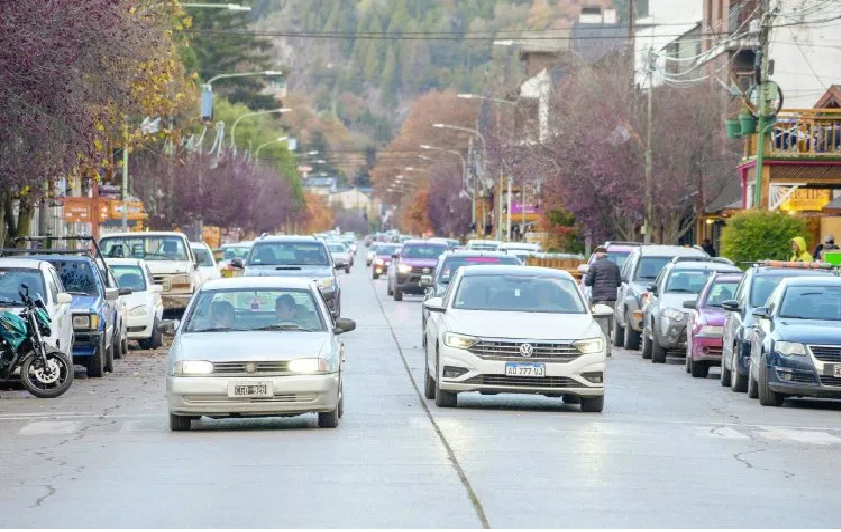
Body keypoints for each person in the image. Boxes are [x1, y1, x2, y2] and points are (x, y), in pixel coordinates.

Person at [584, 246, 622, 355]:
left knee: (599, 324)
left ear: (597, 254)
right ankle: (608, 350)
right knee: (609, 325)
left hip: (598, 299)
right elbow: (618, 283)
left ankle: (599, 349)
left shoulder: (594, 265)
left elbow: (587, 282)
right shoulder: (614, 265)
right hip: (611, 299)